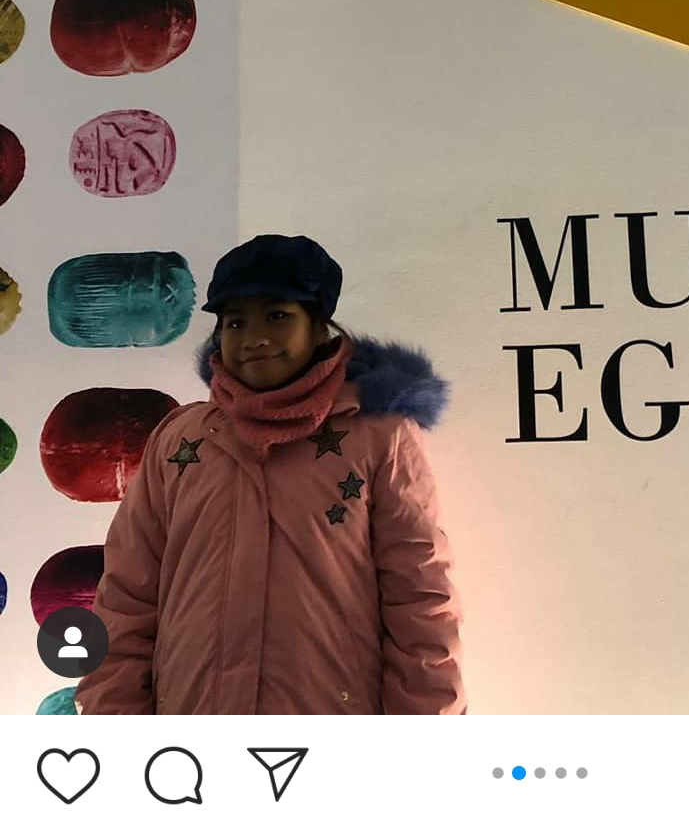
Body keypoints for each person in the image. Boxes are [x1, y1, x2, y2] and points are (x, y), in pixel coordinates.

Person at [74, 234, 466, 714]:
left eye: (277, 316)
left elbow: (419, 599)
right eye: (235, 322)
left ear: (319, 327)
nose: (254, 338)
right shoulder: (180, 441)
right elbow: (126, 597)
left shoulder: (379, 437)